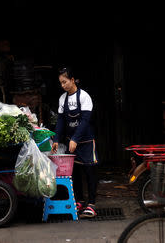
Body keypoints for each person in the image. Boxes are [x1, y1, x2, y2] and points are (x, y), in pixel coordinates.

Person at [51, 67, 99, 218]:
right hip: (71, 142)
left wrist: (75, 139)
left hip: (85, 141)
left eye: (65, 82)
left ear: (72, 80)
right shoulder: (62, 99)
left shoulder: (84, 97)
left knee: (90, 170)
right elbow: (60, 121)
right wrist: (57, 139)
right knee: (74, 172)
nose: (63, 85)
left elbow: (85, 121)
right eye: (61, 83)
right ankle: (79, 201)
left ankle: (91, 204)